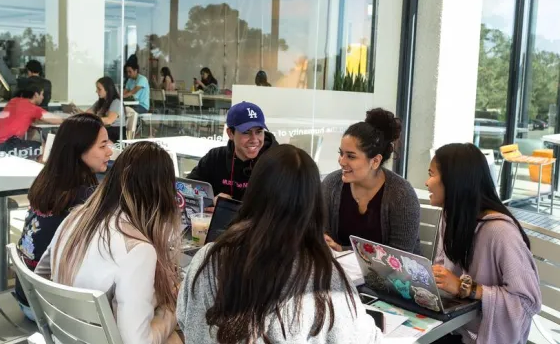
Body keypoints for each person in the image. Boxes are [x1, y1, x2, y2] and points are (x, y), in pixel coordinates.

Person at [178, 144, 382, 343]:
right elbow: (363, 338)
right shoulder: (323, 275)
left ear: (254, 192)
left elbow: (185, 320)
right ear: (313, 204)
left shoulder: (208, 258)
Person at [35, 142, 182, 344]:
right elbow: (138, 342)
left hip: (64, 336)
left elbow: (41, 275)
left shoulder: (76, 216)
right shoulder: (138, 250)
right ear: (163, 192)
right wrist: (174, 307)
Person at [428, 143, 541, 344]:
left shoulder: (500, 232)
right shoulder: (451, 216)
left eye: (432, 174)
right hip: (452, 327)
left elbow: (526, 302)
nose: (427, 182)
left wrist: (466, 288)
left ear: (454, 181)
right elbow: (441, 265)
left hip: (481, 337)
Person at [15, 113, 112, 320]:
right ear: (79, 150)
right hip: (49, 308)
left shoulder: (46, 181)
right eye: (102, 146)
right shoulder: (85, 197)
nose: (110, 151)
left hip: (25, 296)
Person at [322, 108, 421, 254]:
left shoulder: (401, 194)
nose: (341, 161)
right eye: (341, 153)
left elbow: (399, 256)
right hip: (343, 272)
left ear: (375, 161)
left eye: (351, 156)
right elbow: (323, 234)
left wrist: (344, 250)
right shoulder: (331, 184)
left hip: (395, 275)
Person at [187, 101, 278, 202]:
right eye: (246, 132)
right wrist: (210, 201)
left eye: (259, 132)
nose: (254, 139)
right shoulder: (215, 157)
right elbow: (187, 189)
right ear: (230, 134)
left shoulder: (276, 162)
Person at [0, 85, 63, 156]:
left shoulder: (13, 101)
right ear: (36, 94)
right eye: (42, 94)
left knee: (30, 138)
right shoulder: (32, 108)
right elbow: (57, 120)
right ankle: (39, 168)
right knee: (46, 148)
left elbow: (20, 118)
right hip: (3, 146)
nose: (43, 97)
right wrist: (70, 119)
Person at [83, 77, 124, 142]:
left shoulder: (116, 102)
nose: (96, 91)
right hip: (104, 130)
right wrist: (75, 110)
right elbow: (87, 114)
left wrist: (93, 119)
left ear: (107, 90)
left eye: (99, 89)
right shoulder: (100, 102)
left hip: (114, 133)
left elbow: (109, 120)